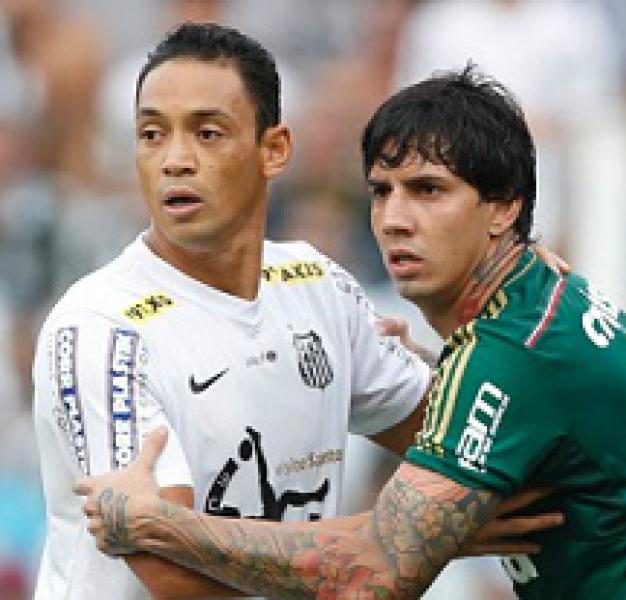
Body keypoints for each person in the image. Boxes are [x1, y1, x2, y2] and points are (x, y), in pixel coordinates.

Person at [76, 65, 626, 599]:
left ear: (504, 208)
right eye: (382, 191)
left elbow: (374, 577)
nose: (395, 219)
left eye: (428, 190)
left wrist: (156, 522)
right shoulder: (540, 302)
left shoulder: (512, 354)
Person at [34, 25, 561, 600]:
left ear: (275, 150)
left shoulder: (318, 286)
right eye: (152, 134)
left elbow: (479, 453)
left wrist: (487, 344)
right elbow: (174, 573)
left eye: (207, 133)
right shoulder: (103, 327)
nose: (175, 160)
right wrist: (402, 542)